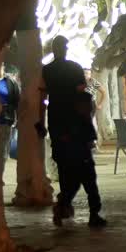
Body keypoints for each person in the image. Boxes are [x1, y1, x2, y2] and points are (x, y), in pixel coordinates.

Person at [38, 35, 104, 227]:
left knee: (67, 171)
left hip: (57, 125)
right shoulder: (75, 68)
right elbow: (83, 93)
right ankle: (91, 213)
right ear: (65, 48)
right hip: (76, 126)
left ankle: (63, 206)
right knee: (87, 173)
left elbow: (42, 98)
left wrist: (40, 122)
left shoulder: (47, 71)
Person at [0, 62, 20, 176]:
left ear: (3, 66)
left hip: (5, 120)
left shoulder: (10, 82)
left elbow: (17, 101)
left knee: (2, 151)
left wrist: (18, 119)